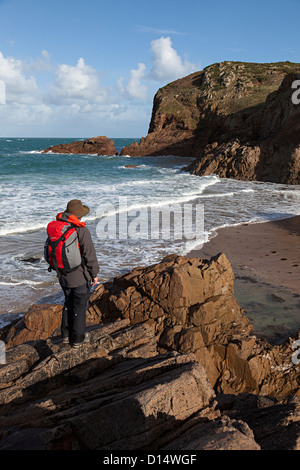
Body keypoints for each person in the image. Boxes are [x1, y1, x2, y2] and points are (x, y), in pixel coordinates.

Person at [52, 199, 99, 348]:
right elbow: (89, 255)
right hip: (79, 276)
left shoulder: (58, 228)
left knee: (68, 302)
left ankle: (65, 336)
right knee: (79, 306)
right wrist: (94, 273)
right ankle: (78, 339)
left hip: (63, 275)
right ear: (80, 215)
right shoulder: (81, 230)